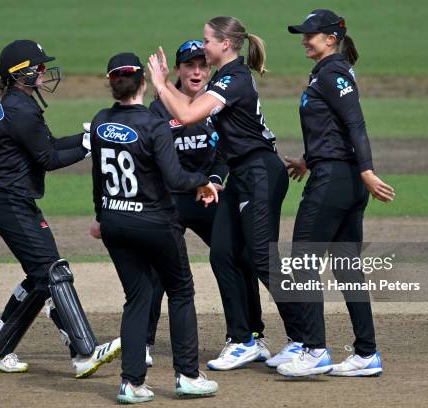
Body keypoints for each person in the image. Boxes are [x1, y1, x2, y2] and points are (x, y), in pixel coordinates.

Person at [148, 16, 307, 371]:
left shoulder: (234, 79)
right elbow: (184, 107)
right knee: (223, 254)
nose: (203, 47)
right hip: (241, 176)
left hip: (260, 171)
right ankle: (243, 340)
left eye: (207, 40)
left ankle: (307, 341)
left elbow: (188, 114)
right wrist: (165, 87)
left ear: (225, 44)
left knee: (262, 258)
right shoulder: (223, 77)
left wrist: (160, 84)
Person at [0, 39, 120, 378]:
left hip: (7, 199)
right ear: (22, 73)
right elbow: (48, 158)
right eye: (39, 66)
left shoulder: (19, 103)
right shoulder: (21, 108)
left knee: (41, 277)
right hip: (8, 200)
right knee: (53, 272)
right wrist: (89, 146)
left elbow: (46, 145)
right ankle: (85, 352)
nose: (45, 72)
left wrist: (85, 139)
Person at [89, 52, 219, 404]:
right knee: (180, 291)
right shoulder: (153, 123)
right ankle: (188, 376)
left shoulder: (100, 122)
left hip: (115, 221)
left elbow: (99, 179)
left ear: (112, 84)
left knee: (136, 298)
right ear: (143, 84)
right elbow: (175, 177)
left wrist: (101, 216)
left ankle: (131, 383)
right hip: (154, 222)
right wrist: (204, 181)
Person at [276, 10, 394, 377]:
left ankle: (314, 351)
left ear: (330, 38)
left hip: (336, 181)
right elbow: (333, 128)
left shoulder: (333, 72)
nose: (303, 40)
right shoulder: (328, 71)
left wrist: (367, 171)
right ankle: (366, 354)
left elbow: (355, 123)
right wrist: (308, 159)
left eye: (309, 34)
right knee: (346, 269)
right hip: (340, 178)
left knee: (303, 260)